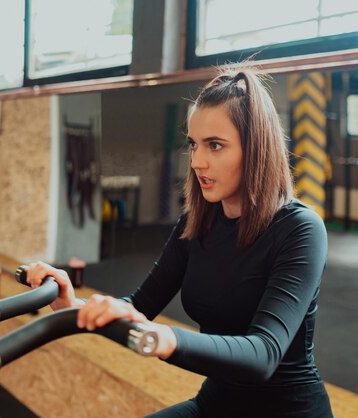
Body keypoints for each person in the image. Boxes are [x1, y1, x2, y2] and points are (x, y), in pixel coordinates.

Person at [26, 65, 333, 417]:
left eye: (215, 146)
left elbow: (262, 354)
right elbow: (138, 307)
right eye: (194, 144)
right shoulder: (198, 221)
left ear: (256, 149)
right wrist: (72, 307)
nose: (198, 162)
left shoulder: (300, 229)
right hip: (216, 405)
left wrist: (163, 338)